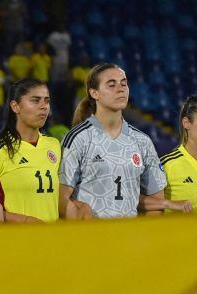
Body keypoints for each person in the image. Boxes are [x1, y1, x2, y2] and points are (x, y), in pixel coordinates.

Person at [60, 63, 187, 219]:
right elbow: (61, 200)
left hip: (129, 239)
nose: (120, 89)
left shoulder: (142, 141)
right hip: (91, 238)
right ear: (94, 93)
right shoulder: (78, 138)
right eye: (111, 85)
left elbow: (157, 201)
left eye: (124, 84)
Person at [0, 78, 62, 223]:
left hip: (51, 241)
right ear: (15, 106)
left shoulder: (54, 145)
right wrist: (25, 221)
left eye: (47, 101)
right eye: (35, 100)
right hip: (15, 241)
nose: (44, 106)